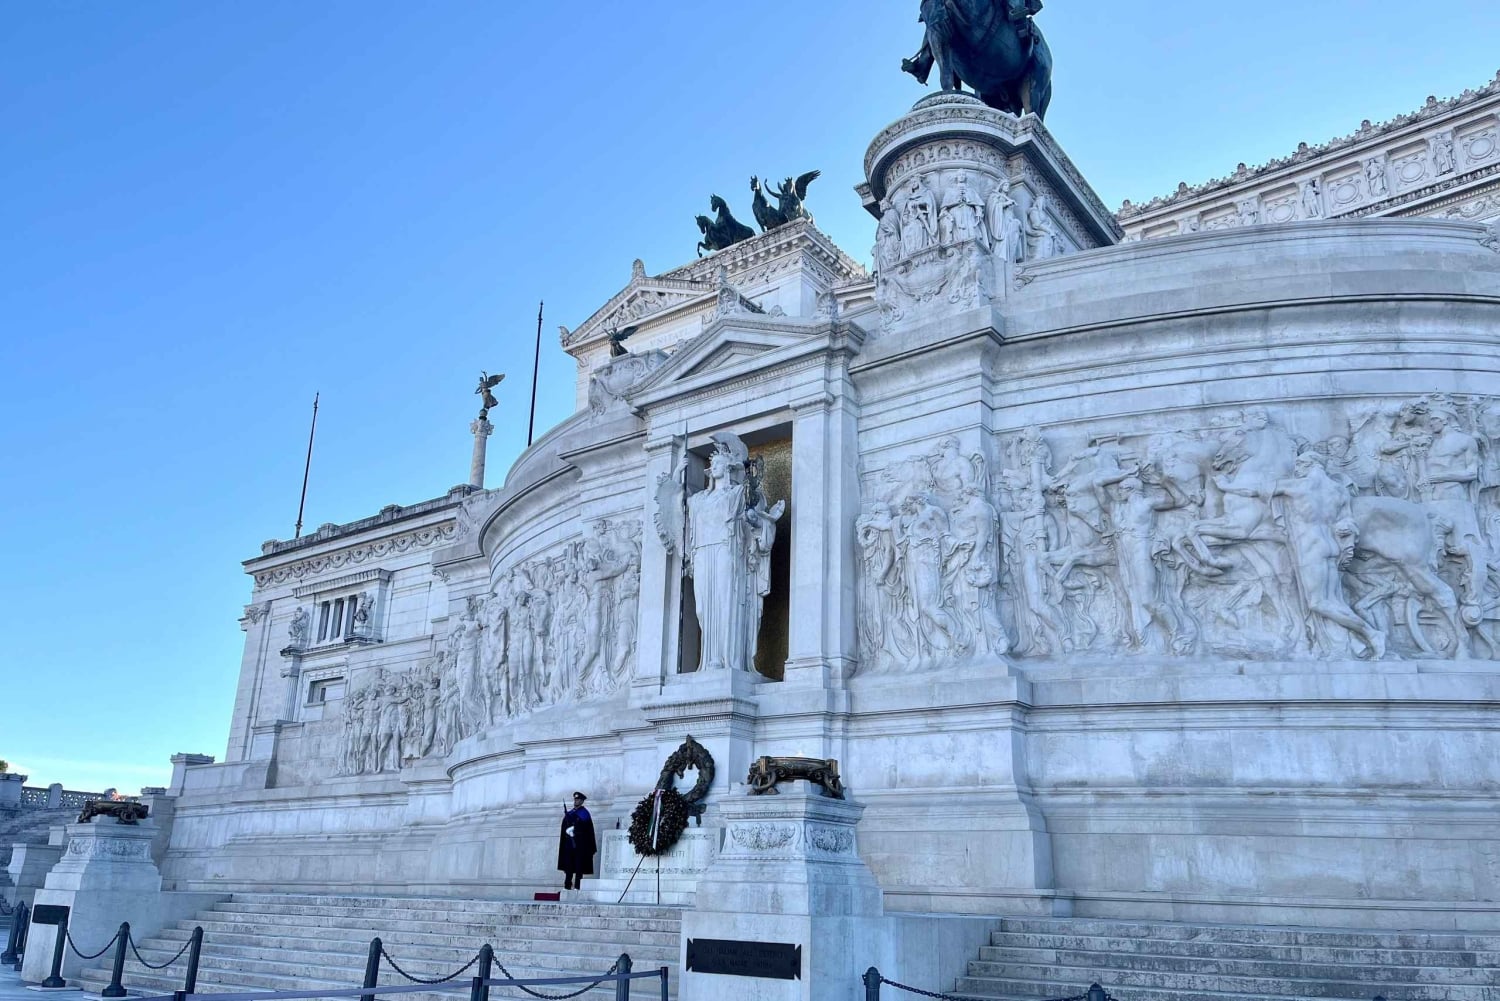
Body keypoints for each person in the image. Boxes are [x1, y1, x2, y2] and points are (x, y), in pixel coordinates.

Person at [557, 792, 597, 891]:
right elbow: (564, 829)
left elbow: (588, 831)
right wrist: (567, 832)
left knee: (579, 866)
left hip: (580, 845)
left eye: (578, 800)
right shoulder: (569, 814)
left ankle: (577, 886)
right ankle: (567, 885)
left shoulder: (584, 814)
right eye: (575, 799)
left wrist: (576, 832)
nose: (576, 801)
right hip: (569, 845)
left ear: (582, 801)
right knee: (568, 865)